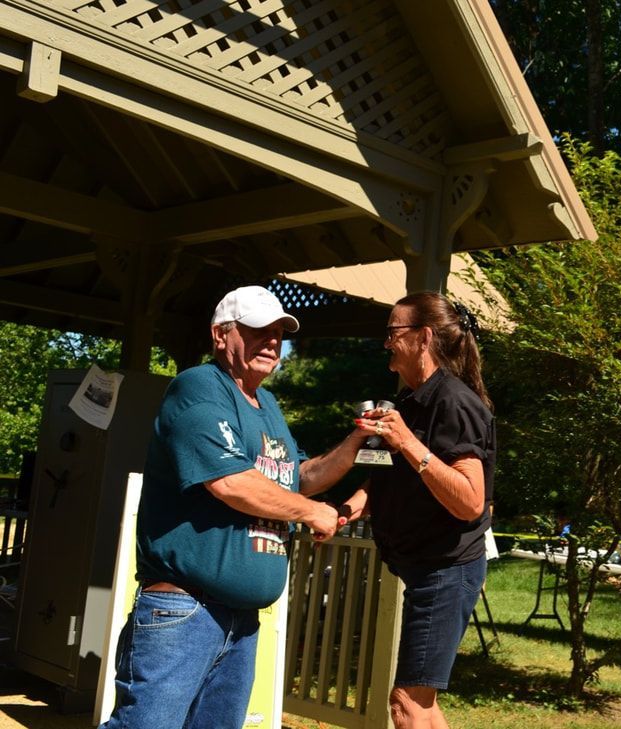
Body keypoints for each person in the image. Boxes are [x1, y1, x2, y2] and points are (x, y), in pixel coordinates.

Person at [101, 286, 369, 729]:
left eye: (279, 332)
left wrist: (357, 441)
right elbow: (230, 482)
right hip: (185, 610)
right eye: (258, 330)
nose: (272, 341)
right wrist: (310, 512)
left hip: (241, 620)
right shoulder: (199, 387)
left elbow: (299, 477)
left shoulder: (267, 404)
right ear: (221, 335)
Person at [338, 292, 495, 729]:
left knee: (407, 703)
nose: (386, 342)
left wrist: (407, 441)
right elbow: (387, 481)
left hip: (447, 569)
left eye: (393, 332)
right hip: (423, 567)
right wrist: (343, 511)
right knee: (421, 704)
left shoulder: (454, 402)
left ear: (423, 338)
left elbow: (470, 500)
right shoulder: (409, 401)